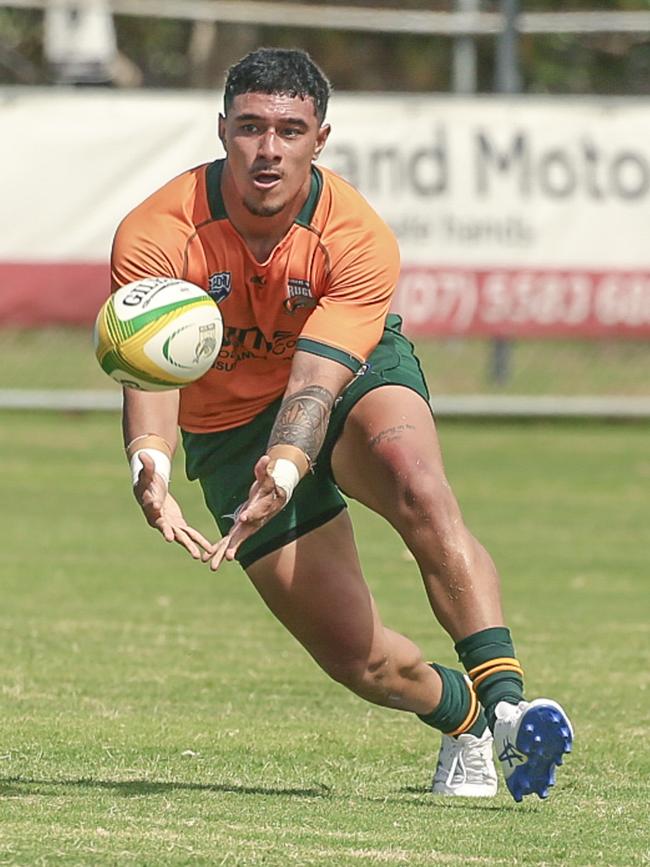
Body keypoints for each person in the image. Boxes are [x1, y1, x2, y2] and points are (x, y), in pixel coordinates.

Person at [111, 47, 573, 802]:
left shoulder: (357, 236)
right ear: (221, 129)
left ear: (320, 138)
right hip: (227, 426)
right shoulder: (156, 232)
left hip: (347, 379)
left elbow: (315, 384)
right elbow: (152, 369)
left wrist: (286, 465)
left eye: (290, 130)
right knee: (359, 660)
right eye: (252, 127)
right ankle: (467, 722)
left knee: (417, 484)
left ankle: (512, 707)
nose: (269, 149)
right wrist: (150, 466)